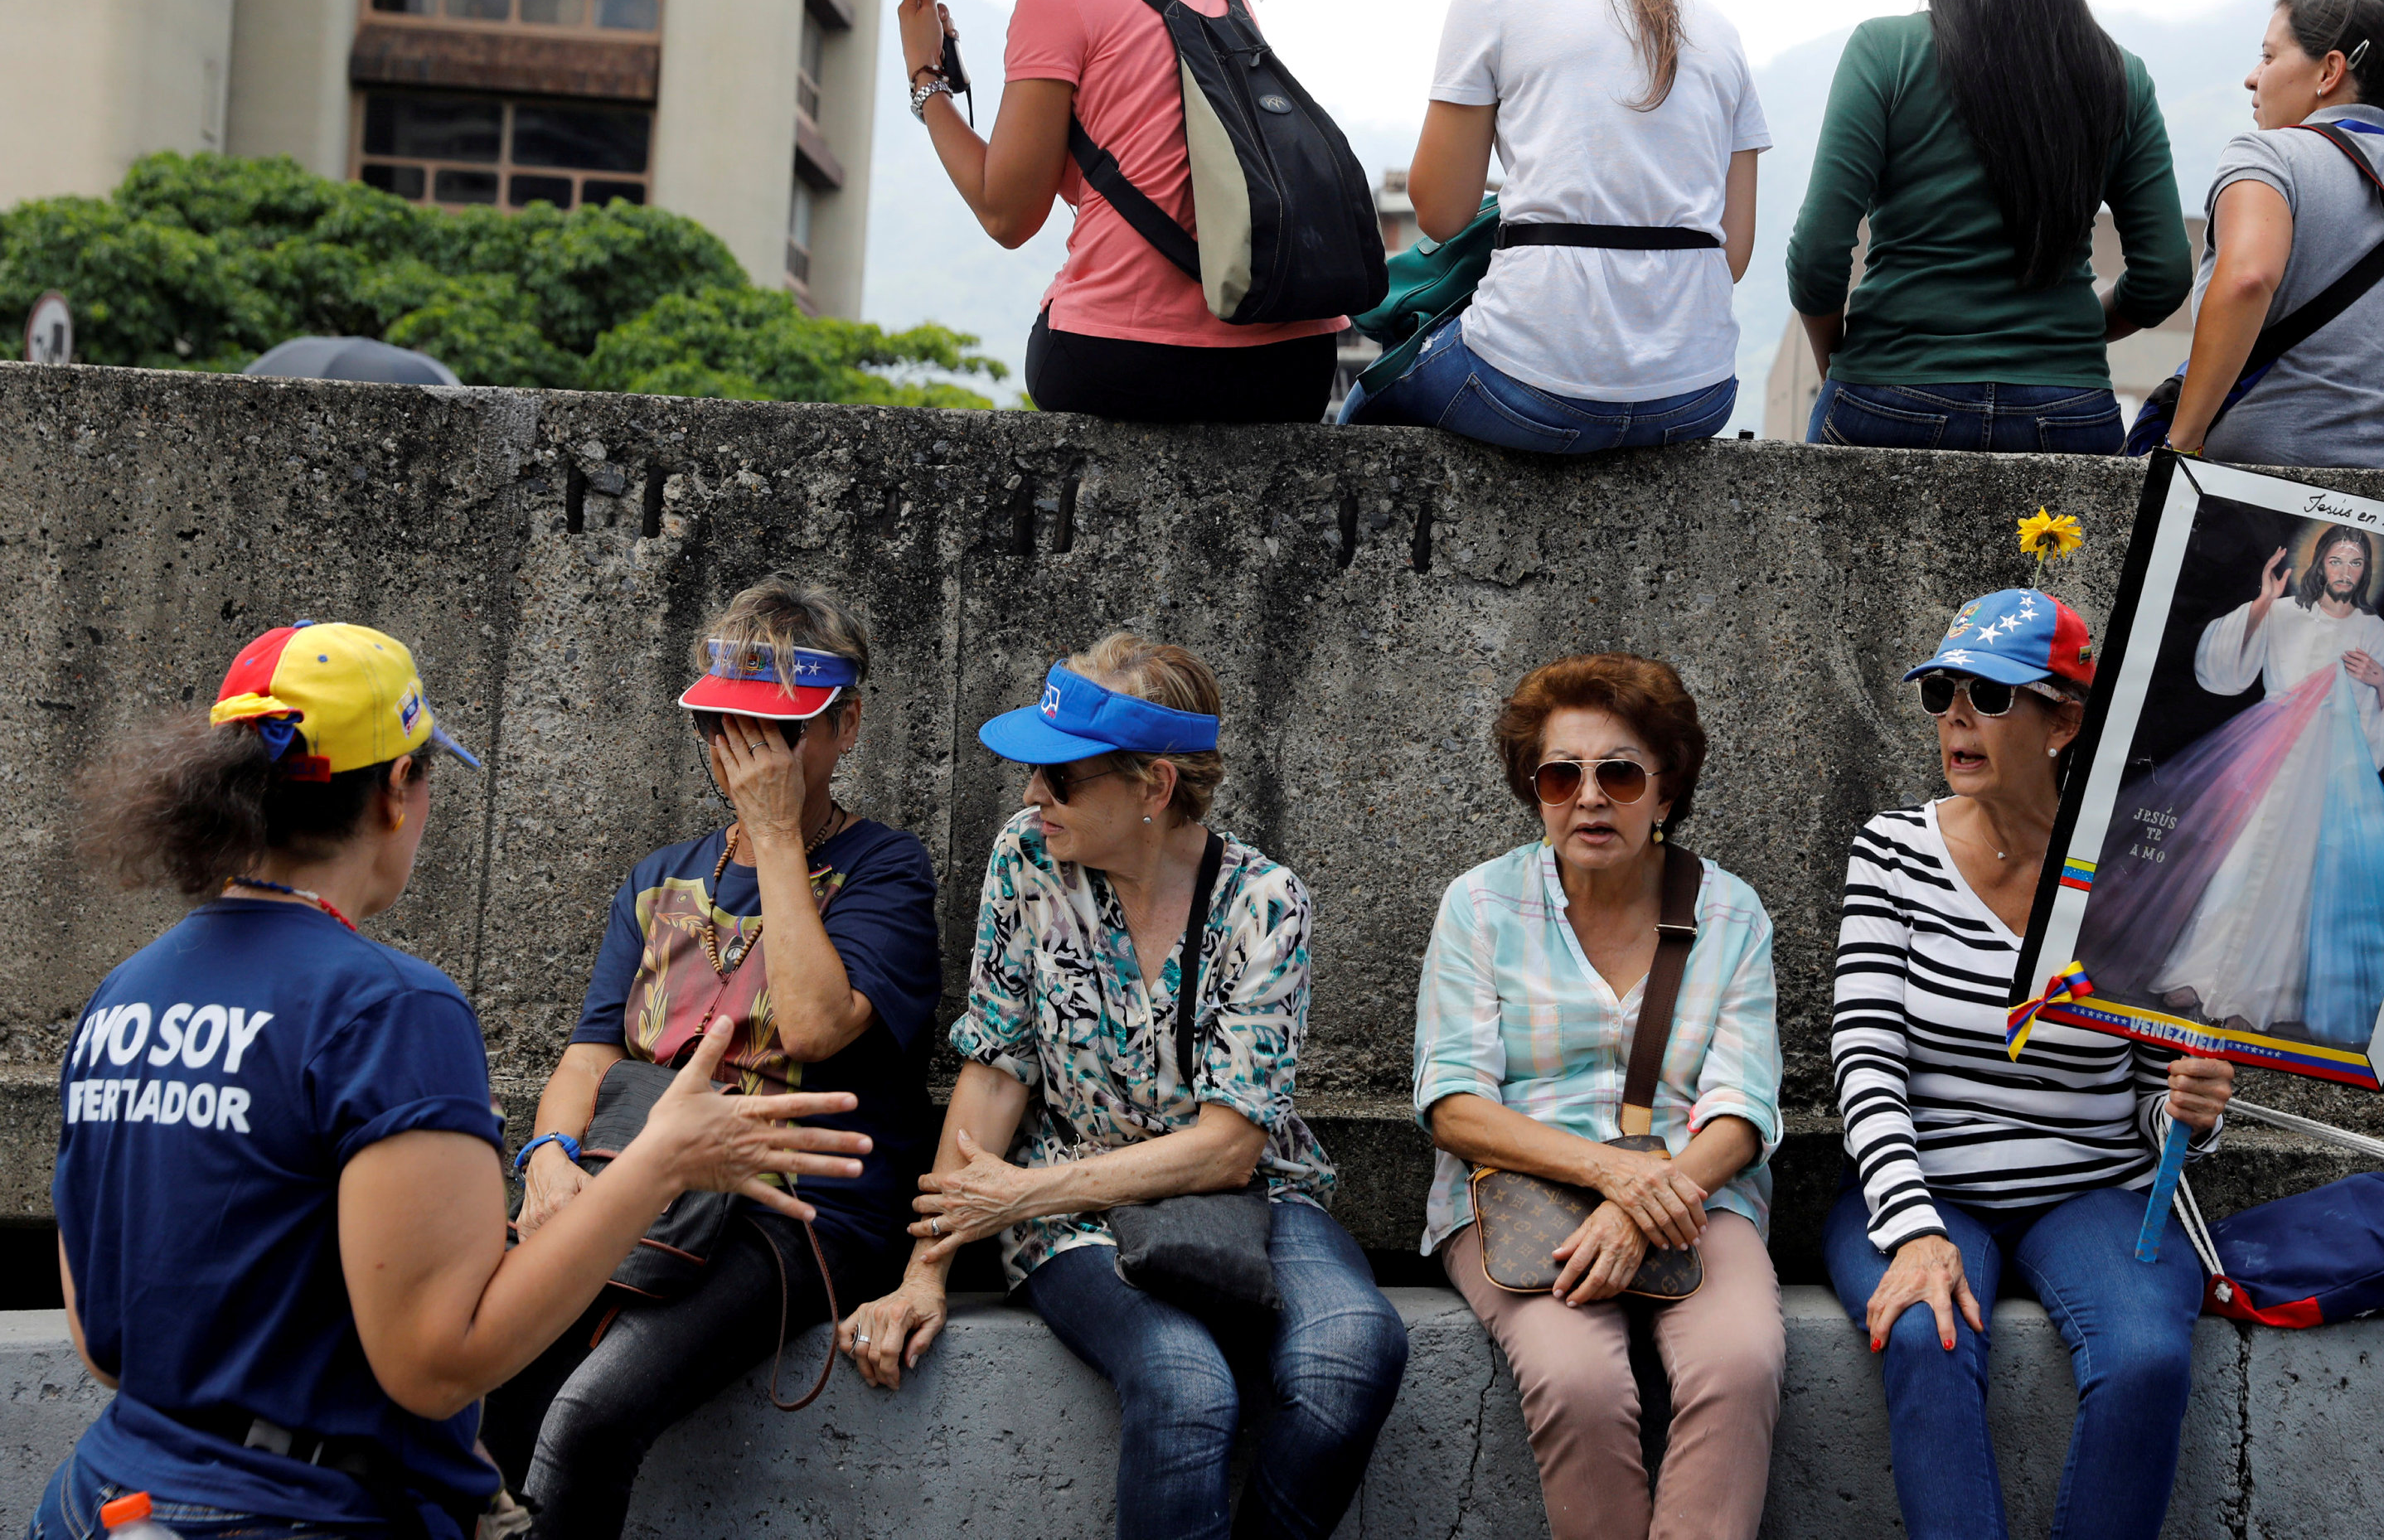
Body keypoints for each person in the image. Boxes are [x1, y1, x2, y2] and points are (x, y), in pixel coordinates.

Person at [40, 621, 865, 1539]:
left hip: (103, 1501)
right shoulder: (390, 1008)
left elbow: (103, 1341)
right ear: (399, 789)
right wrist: (661, 1164)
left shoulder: (126, 993)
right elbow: (441, 1365)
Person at [844, 633, 1405, 1540]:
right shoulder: (1028, 861)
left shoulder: (1265, 903)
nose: (1033, 795)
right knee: (1185, 1387)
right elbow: (995, 1069)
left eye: (1060, 778)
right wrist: (924, 1275)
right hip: (1069, 1212)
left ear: (1153, 787)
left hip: (1245, 1193)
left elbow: (1230, 1146)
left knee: (1355, 1352)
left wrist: (1022, 1191)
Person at [485, 579, 942, 1538]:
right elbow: (587, 1056)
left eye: (774, 734)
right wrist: (551, 1161)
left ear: (846, 725)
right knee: (494, 1377)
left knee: (590, 1414)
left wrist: (776, 833)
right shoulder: (659, 876)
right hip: (644, 1179)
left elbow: (816, 1026)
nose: (741, 756)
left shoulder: (886, 869)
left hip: (799, 1208)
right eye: (722, 728)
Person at [1828, 588, 2236, 1540]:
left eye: (1989, 693)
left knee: (2142, 1357)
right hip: (1923, 1182)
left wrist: (2192, 1115)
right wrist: (1913, 1227)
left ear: (2065, 720)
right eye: (1941, 692)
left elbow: (2151, 1098)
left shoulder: (2136, 870)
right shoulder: (1891, 852)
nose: (1957, 715)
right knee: (1924, 1331)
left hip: (2092, 1187)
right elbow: (1863, 1059)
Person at [1415, 654, 1786, 1540]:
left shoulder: (1730, 914)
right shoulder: (1480, 906)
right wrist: (1610, 1178)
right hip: (1511, 1198)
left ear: (1664, 792)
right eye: (1559, 775)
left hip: (1692, 1192)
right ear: (1533, 790)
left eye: (1618, 773)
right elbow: (1453, 1104)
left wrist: (1644, 1203)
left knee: (1739, 1363)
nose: (1588, 797)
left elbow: (1742, 1110)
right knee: (1576, 1381)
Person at [899, 0, 1345, 424]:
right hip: (1295, 363)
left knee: (1051, 349)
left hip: (1127, 357)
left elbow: (1007, 216)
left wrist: (924, 77)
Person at [1787, 0, 2193, 453]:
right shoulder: (2121, 75)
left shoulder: (1883, 53)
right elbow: (2168, 275)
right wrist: (2070, 332)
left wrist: (1843, 360)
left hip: (1888, 397)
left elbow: (1816, 259)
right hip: (2069, 410)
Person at [1340, 0, 1770, 452]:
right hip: (1697, 394)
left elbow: (1440, 212)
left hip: (1527, 383)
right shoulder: (1718, 27)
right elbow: (1733, 255)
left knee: (1365, 405)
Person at [2076, 526, 2384, 1049]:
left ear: (2364, 571)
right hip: (2266, 753)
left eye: (2354, 563)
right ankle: (2199, 975)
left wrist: (2381, 681)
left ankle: (2258, 998)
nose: (2345, 572)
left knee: (2294, 874)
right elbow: (2227, 670)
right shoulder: (2284, 613)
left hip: (2325, 764)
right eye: (2336, 560)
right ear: (2319, 564)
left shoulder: (2375, 629)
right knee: (2236, 861)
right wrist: (2261, 602)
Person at [2159, 0, 2384, 469]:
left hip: (2266, 505)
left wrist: (2182, 443)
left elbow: (2248, 279)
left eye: (2270, 57)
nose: (2253, 77)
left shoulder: (2269, 159)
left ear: (2329, 71)